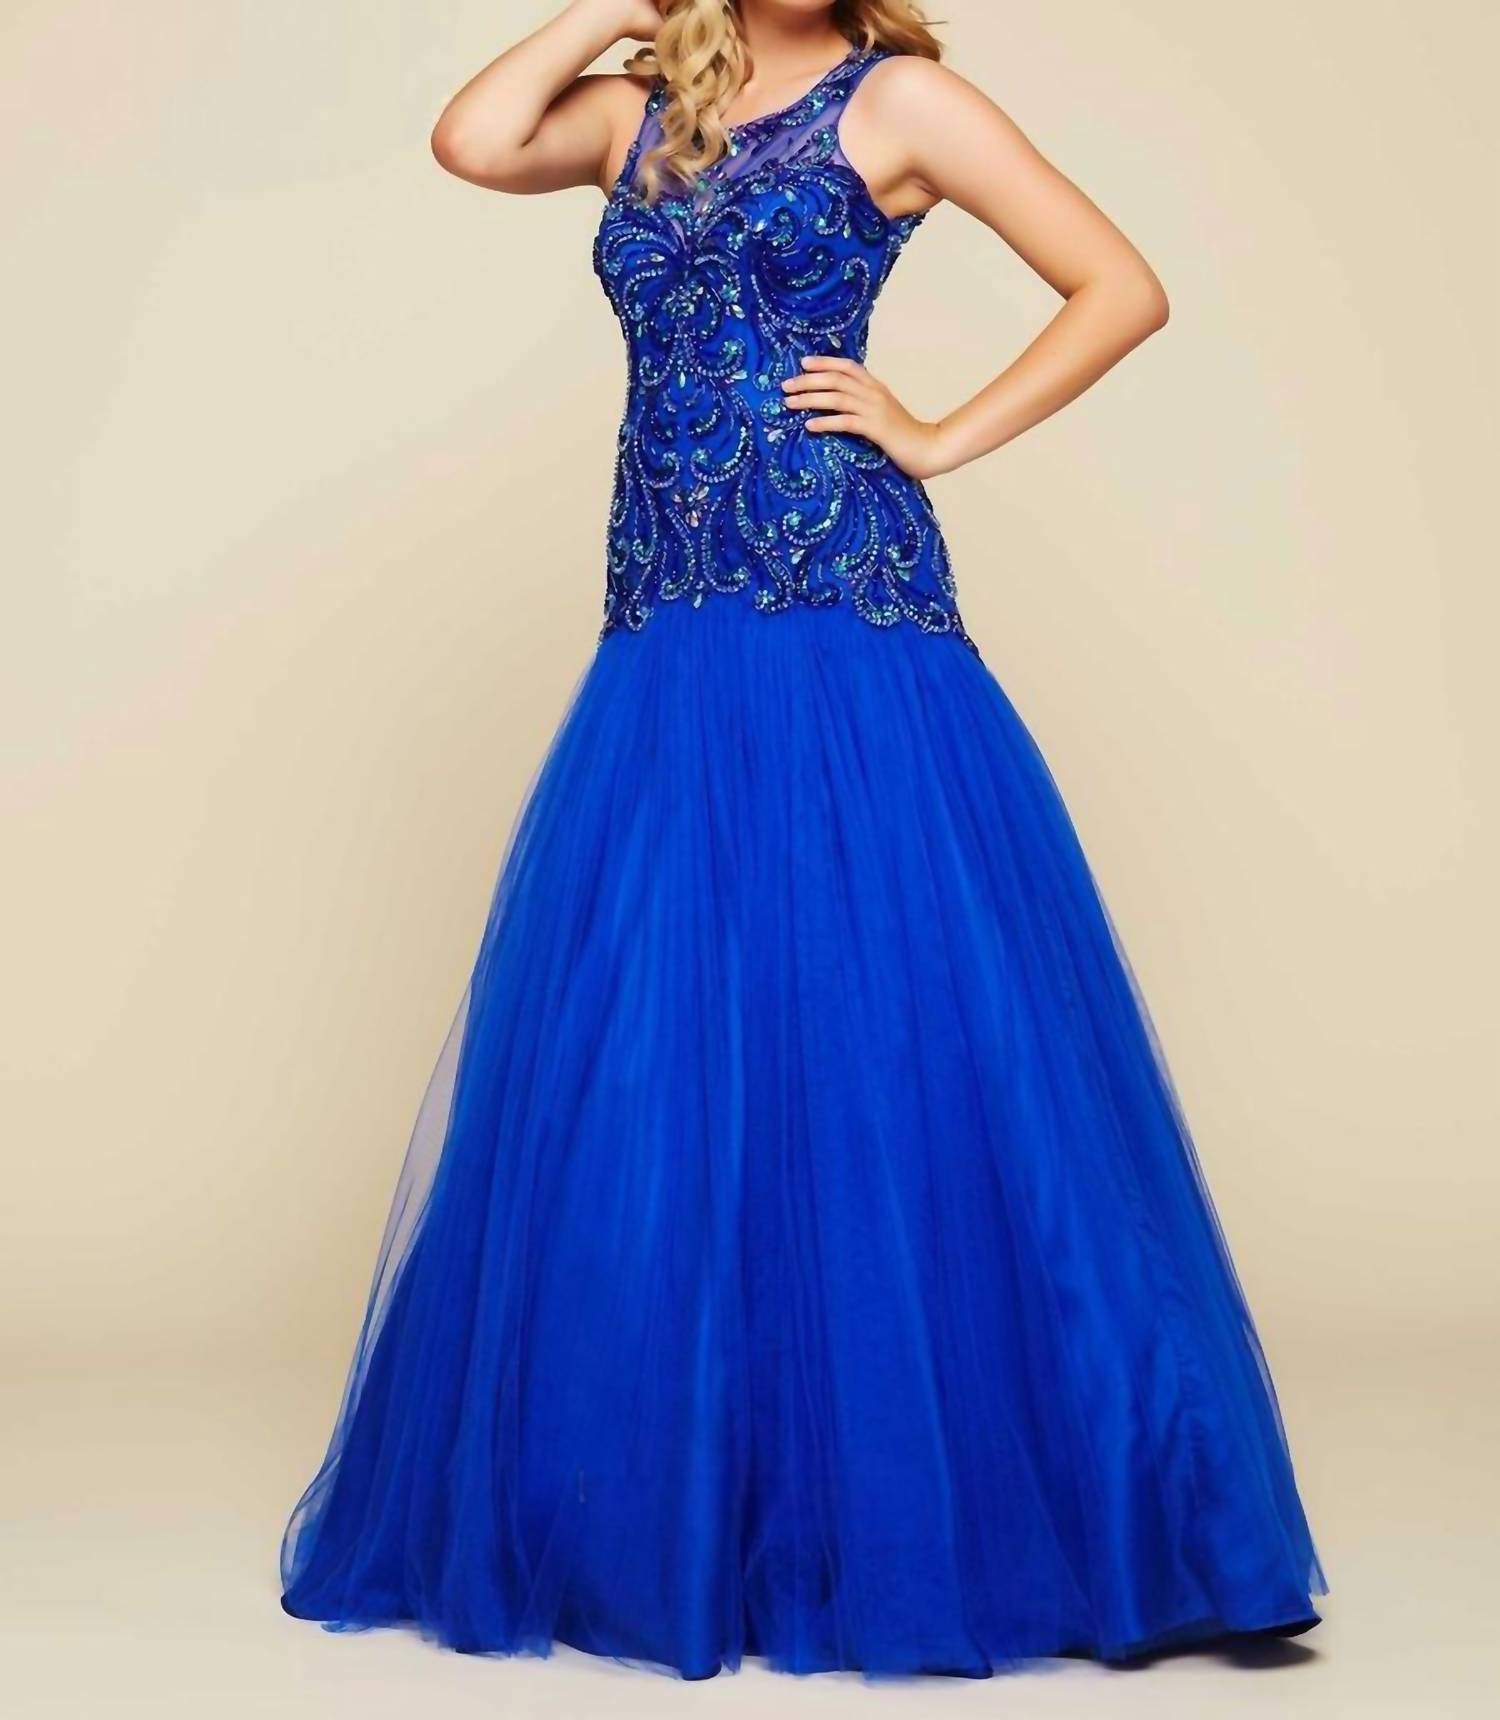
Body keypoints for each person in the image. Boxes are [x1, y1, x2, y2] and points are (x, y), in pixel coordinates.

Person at [278, 0, 1329, 1679]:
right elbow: (473, 141)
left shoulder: (898, 101)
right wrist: (616, 12)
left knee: (892, 1030)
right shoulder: (648, 105)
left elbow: (1120, 287)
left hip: (842, 608)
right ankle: (689, 1512)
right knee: (669, 1056)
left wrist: (936, 432)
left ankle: (1062, 1511)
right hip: (667, 627)